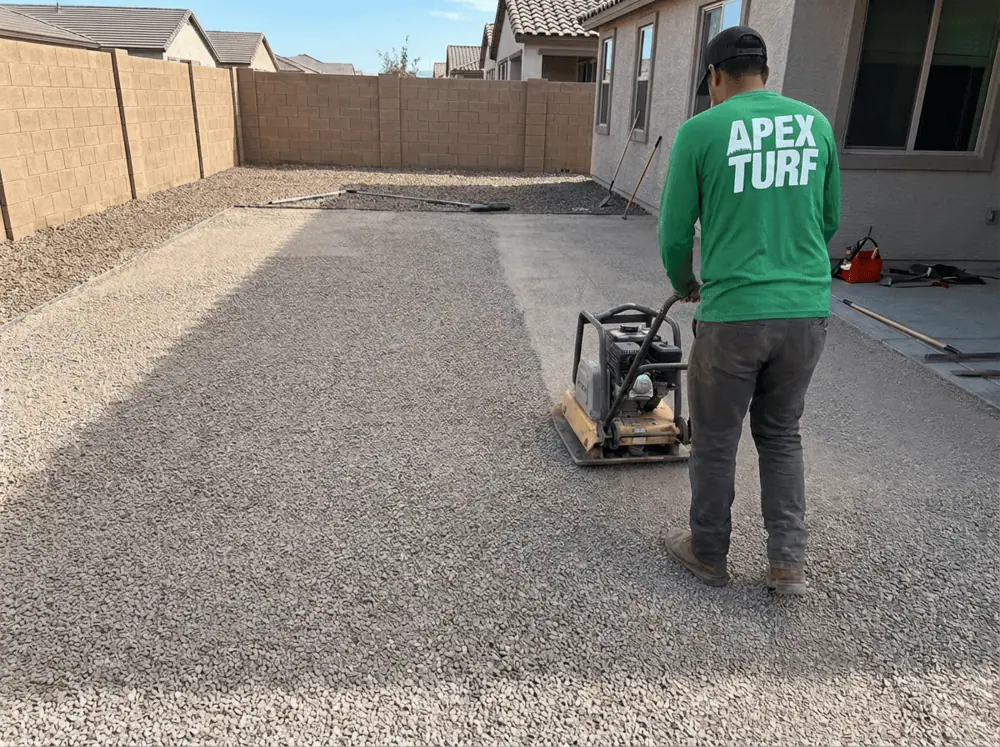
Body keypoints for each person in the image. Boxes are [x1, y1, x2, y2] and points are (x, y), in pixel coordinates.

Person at [657, 25, 841, 595]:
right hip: (806, 310)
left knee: (716, 439)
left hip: (734, 314)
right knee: (782, 433)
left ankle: (708, 553)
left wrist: (686, 283)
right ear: (765, 71)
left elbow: (673, 232)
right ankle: (787, 563)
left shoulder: (701, 130)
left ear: (714, 76)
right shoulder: (815, 125)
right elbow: (828, 219)